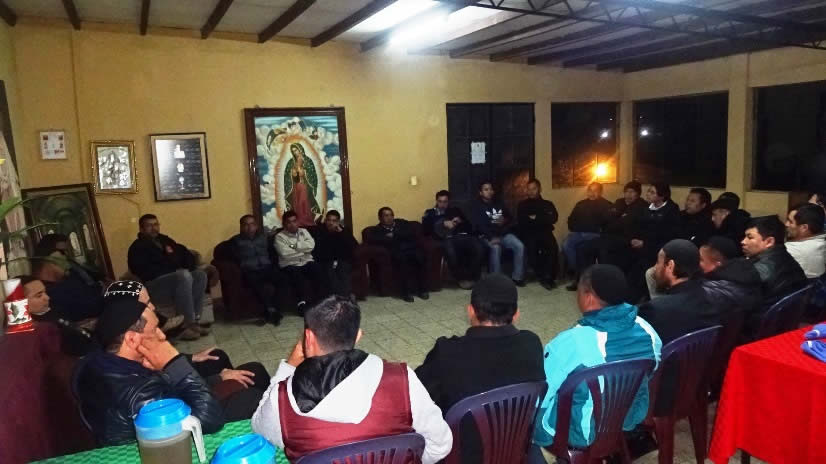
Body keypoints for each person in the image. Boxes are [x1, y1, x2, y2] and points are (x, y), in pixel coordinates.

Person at [251, 296, 452, 463]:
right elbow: (440, 446)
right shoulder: (402, 379)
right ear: (358, 336)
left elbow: (260, 431)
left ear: (308, 338)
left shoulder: (282, 400)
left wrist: (287, 369)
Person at [531, 264, 661, 461]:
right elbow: (652, 371)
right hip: (626, 417)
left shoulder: (571, 342)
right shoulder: (648, 331)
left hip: (581, 432)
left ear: (588, 297)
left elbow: (542, 392)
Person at [76, 281, 225, 445]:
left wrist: (216, 379)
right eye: (154, 330)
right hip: (171, 445)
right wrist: (174, 362)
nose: (162, 336)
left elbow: (167, 389)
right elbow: (210, 420)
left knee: (225, 364)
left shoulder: (112, 361)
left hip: (177, 415)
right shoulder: (137, 392)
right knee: (244, 396)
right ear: (132, 339)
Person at [416, 273, 544, 463]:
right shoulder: (532, 344)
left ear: (471, 311)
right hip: (514, 450)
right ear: (516, 314)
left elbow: (417, 396)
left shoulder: (447, 352)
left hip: (461, 456)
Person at [128, 214, 208, 341]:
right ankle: (185, 326)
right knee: (183, 276)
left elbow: (184, 253)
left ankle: (195, 321)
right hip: (154, 285)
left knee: (200, 275)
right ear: (142, 229)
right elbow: (141, 271)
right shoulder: (137, 247)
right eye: (149, 225)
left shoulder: (165, 240)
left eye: (156, 224)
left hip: (176, 279)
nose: (153, 228)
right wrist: (174, 271)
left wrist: (189, 267)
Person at [571, 181, 648, 291]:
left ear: (638, 194)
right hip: (609, 236)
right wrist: (618, 219)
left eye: (632, 192)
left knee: (604, 251)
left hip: (627, 239)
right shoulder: (619, 202)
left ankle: (605, 285)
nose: (628, 195)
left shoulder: (642, 206)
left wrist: (617, 219)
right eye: (626, 192)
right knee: (583, 248)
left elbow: (626, 224)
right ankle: (583, 281)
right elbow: (607, 218)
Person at [628, 183, 681, 301]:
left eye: (652, 192)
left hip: (659, 249)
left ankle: (638, 299)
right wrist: (634, 238)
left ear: (662, 196)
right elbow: (637, 226)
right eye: (648, 191)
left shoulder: (671, 210)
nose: (648, 194)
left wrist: (645, 243)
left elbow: (667, 235)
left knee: (641, 268)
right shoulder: (646, 208)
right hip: (641, 246)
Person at [22, 275, 99, 356]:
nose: (47, 298)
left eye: (45, 292)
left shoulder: (51, 309)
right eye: (39, 296)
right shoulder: (40, 329)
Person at [365, 207, 429, 302]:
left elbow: (411, 233)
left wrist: (394, 234)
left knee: (420, 257)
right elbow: (374, 240)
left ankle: (422, 290)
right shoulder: (377, 230)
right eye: (386, 215)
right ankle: (406, 292)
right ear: (380, 218)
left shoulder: (401, 223)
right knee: (402, 262)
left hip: (410, 248)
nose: (389, 218)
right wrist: (392, 237)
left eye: (391, 215)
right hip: (396, 252)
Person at [232, 214, 286, 325]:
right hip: (250, 270)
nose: (249, 227)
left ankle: (275, 309)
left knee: (283, 279)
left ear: (256, 226)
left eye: (252, 224)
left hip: (267, 267)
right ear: (241, 227)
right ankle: (271, 311)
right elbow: (227, 256)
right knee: (258, 285)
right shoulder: (235, 241)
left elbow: (273, 253)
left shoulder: (264, 238)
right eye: (246, 225)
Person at [470, 181, 526, 286]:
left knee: (519, 245)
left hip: (503, 234)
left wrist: (504, 220)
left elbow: (510, 218)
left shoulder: (499, 203)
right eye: (486, 189)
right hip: (486, 236)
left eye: (491, 189)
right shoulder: (476, 207)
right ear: (480, 192)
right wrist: (491, 237)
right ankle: (496, 280)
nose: (489, 191)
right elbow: (478, 226)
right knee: (496, 248)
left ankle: (517, 277)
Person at [742, 216, 807, 302]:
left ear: (769, 242)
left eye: (750, 237)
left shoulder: (757, 270)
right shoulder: (786, 257)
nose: (743, 242)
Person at [275, 211, 325, 314]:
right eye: (289, 222)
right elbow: (285, 253)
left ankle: (320, 301)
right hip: (290, 264)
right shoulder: (279, 237)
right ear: (284, 224)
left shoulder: (304, 231)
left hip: (306, 261)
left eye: (294, 221)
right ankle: (302, 304)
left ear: (298, 222)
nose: (292, 224)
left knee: (318, 270)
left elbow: (311, 246)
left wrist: (293, 246)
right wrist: (303, 251)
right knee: (297, 276)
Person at [699, 236, 763, 315]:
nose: (697, 263)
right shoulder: (745, 272)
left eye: (701, 259)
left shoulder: (720, 288)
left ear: (718, 263)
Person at [517, 179, 560, 290]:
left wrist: (536, 218)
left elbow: (553, 218)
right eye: (529, 189)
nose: (531, 191)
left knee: (552, 247)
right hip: (529, 233)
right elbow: (522, 221)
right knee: (532, 247)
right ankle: (540, 275)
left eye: (534, 189)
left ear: (539, 189)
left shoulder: (547, 204)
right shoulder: (522, 205)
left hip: (545, 232)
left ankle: (549, 277)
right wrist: (541, 218)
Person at [562, 182, 612, 276]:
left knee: (582, 248)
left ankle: (580, 273)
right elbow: (571, 219)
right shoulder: (580, 204)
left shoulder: (606, 205)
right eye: (590, 190)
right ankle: (575, 269)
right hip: (578, 232)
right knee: (566, 244)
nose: (592, 193)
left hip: (595, 234)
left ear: (600, 192)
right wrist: (575, 228)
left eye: (595, 191)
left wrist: (596, 228)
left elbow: (607, 223)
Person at [433, 205, 484, 290]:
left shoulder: (465, 219)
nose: (443, 204)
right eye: (440, 202)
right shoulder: (441, 218)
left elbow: (473, 230)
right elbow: (437, 231)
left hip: (468, 237)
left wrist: (461, 222)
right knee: (451, 251)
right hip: (451, 238)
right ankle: (461, 278)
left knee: (479, 248)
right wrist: (445, 224)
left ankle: (473, 277)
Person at [312, 210, 359, 297]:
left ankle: (345, 297)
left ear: (338, 222)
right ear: (325, 220)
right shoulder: (319, 230)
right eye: (329, 220)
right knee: (329, 270)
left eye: (334, 221)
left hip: (342, 259)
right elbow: (318, 249)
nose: (331, 223)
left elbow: (354, 245)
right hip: (325, 259)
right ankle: (336, 297)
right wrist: (333, 261)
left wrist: (341, 232)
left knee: (343, 269)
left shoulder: (344, 230)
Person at [785, 203, 826, 278]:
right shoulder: (822, 242)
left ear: (804, 227)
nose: (786, 224)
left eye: (790, 222)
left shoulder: (793, 249)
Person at [285, 143, 321, 226]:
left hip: (304, 186)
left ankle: (306, 221)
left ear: (300, 149)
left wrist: (303, 170)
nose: (295, 153)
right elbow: (288, 176)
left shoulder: (308, 161)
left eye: (296, 150)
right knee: (296, 204)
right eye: (293, 151)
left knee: (303, 203)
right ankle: (298, 221)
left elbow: (312, 174)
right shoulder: (291, 162)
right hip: (296, 187)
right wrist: (293, 172)